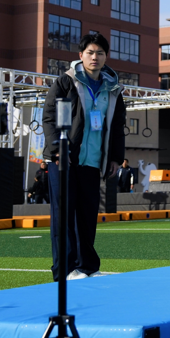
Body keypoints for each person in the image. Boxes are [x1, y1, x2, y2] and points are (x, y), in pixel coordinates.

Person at [43, 33, 126, 279]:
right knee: (64, 217)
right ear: (81, 56)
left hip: (92, 161)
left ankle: (87, 267)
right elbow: (49, 117)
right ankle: (65, 270)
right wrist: (57, 150)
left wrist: (115, 157)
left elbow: (117, 126)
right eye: (90, 52)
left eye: (100, 53)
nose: (95, 57)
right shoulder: (65, 82)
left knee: (87, 216)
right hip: (65, 160)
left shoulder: (113, 89)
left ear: (106, 57)